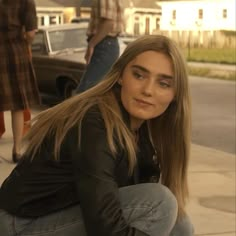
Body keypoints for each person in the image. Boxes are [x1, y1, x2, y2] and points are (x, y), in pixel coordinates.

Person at [0, 35, 193, 236]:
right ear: (120, 75)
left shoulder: (142, 128)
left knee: (181, 226)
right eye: (139, 75)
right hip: (20, 225)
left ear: (175, 94)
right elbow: (105, 227)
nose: (148, 90)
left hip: (61, 214)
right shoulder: (93, 122)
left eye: (163, 84)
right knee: (159, 203)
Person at [0, 0, 41, 163]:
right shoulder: (26, 1)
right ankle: (17, 150)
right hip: (16, 53)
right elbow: (31, 33)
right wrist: (26, 44)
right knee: (18, 104)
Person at [76, 0, 124, 93]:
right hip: (106, 44)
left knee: (86, 92)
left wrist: (92, 44)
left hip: (104, 45)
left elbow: (108, 22)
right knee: (98, 91)